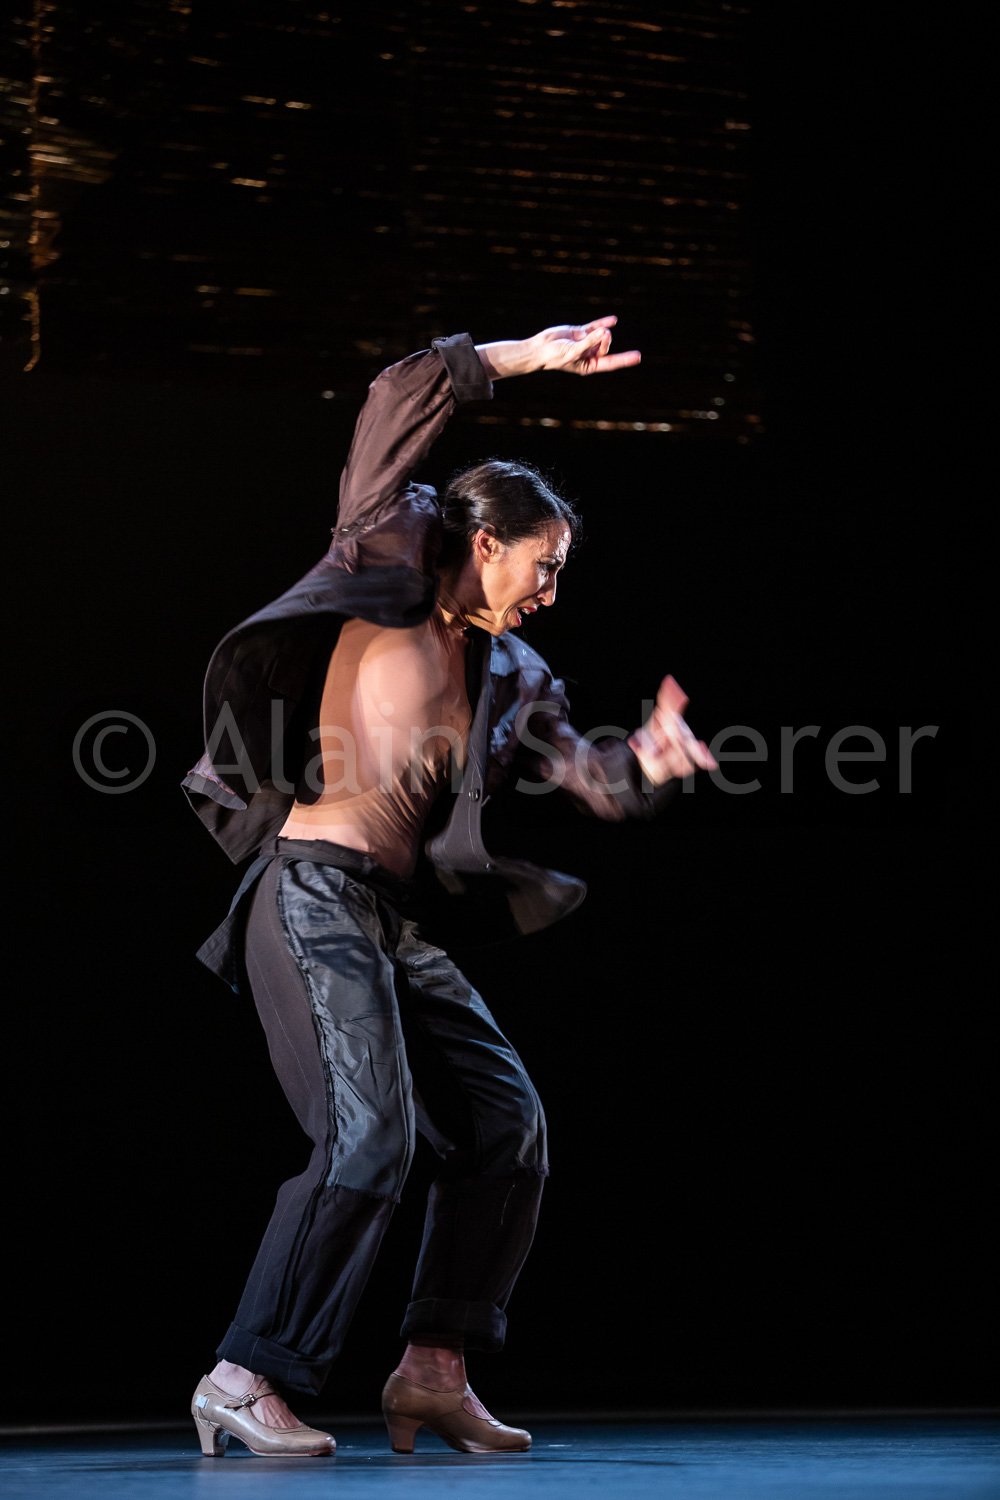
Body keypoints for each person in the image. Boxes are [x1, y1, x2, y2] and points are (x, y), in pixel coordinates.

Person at [182, 315, 717, 1459]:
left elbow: (592, 780)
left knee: (506, 1124)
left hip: (392, 920)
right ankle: (242, 1374)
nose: (551, 592)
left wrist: (647, 764)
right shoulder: (388, 558)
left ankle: (431, 1371)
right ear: (486, 542)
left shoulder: (516, 671)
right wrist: (530, 356)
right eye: (544, 566)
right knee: (368, 1135)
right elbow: (397, 398)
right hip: (311, 893)